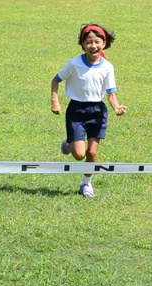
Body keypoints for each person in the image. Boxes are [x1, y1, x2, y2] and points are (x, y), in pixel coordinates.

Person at [51, 23, 127, 198]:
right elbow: (55, 80)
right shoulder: (74, 64)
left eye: (97, 42)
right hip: (76, 111)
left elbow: (111, 93)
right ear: (83, 44)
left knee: (92, 152)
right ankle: (71, 142)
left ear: (104, 43)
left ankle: (86, 184)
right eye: (89, 42)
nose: (93, 46)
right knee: (79, 155)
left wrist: (116, 106)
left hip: (98, 111)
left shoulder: (108, 67)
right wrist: (55, 101)